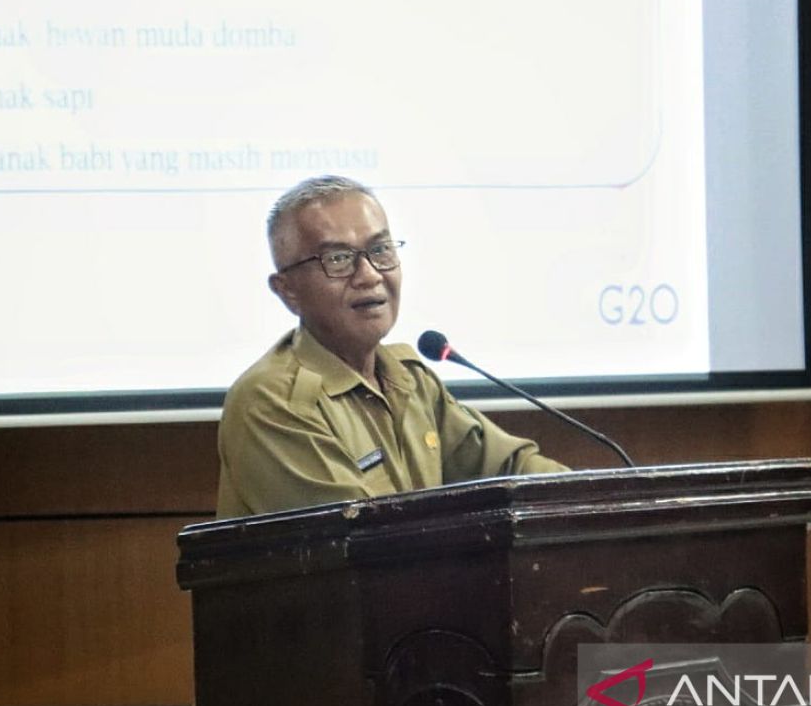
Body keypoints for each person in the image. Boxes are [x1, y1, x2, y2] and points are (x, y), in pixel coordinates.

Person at [215, 175, 568, 517]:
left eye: (381, 250)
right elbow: (365, 542)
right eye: (338, 258)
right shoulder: (271, 401)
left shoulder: (408, 378)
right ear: (287, 290)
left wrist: (596, 499)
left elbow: (510, 466)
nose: (369, 274)